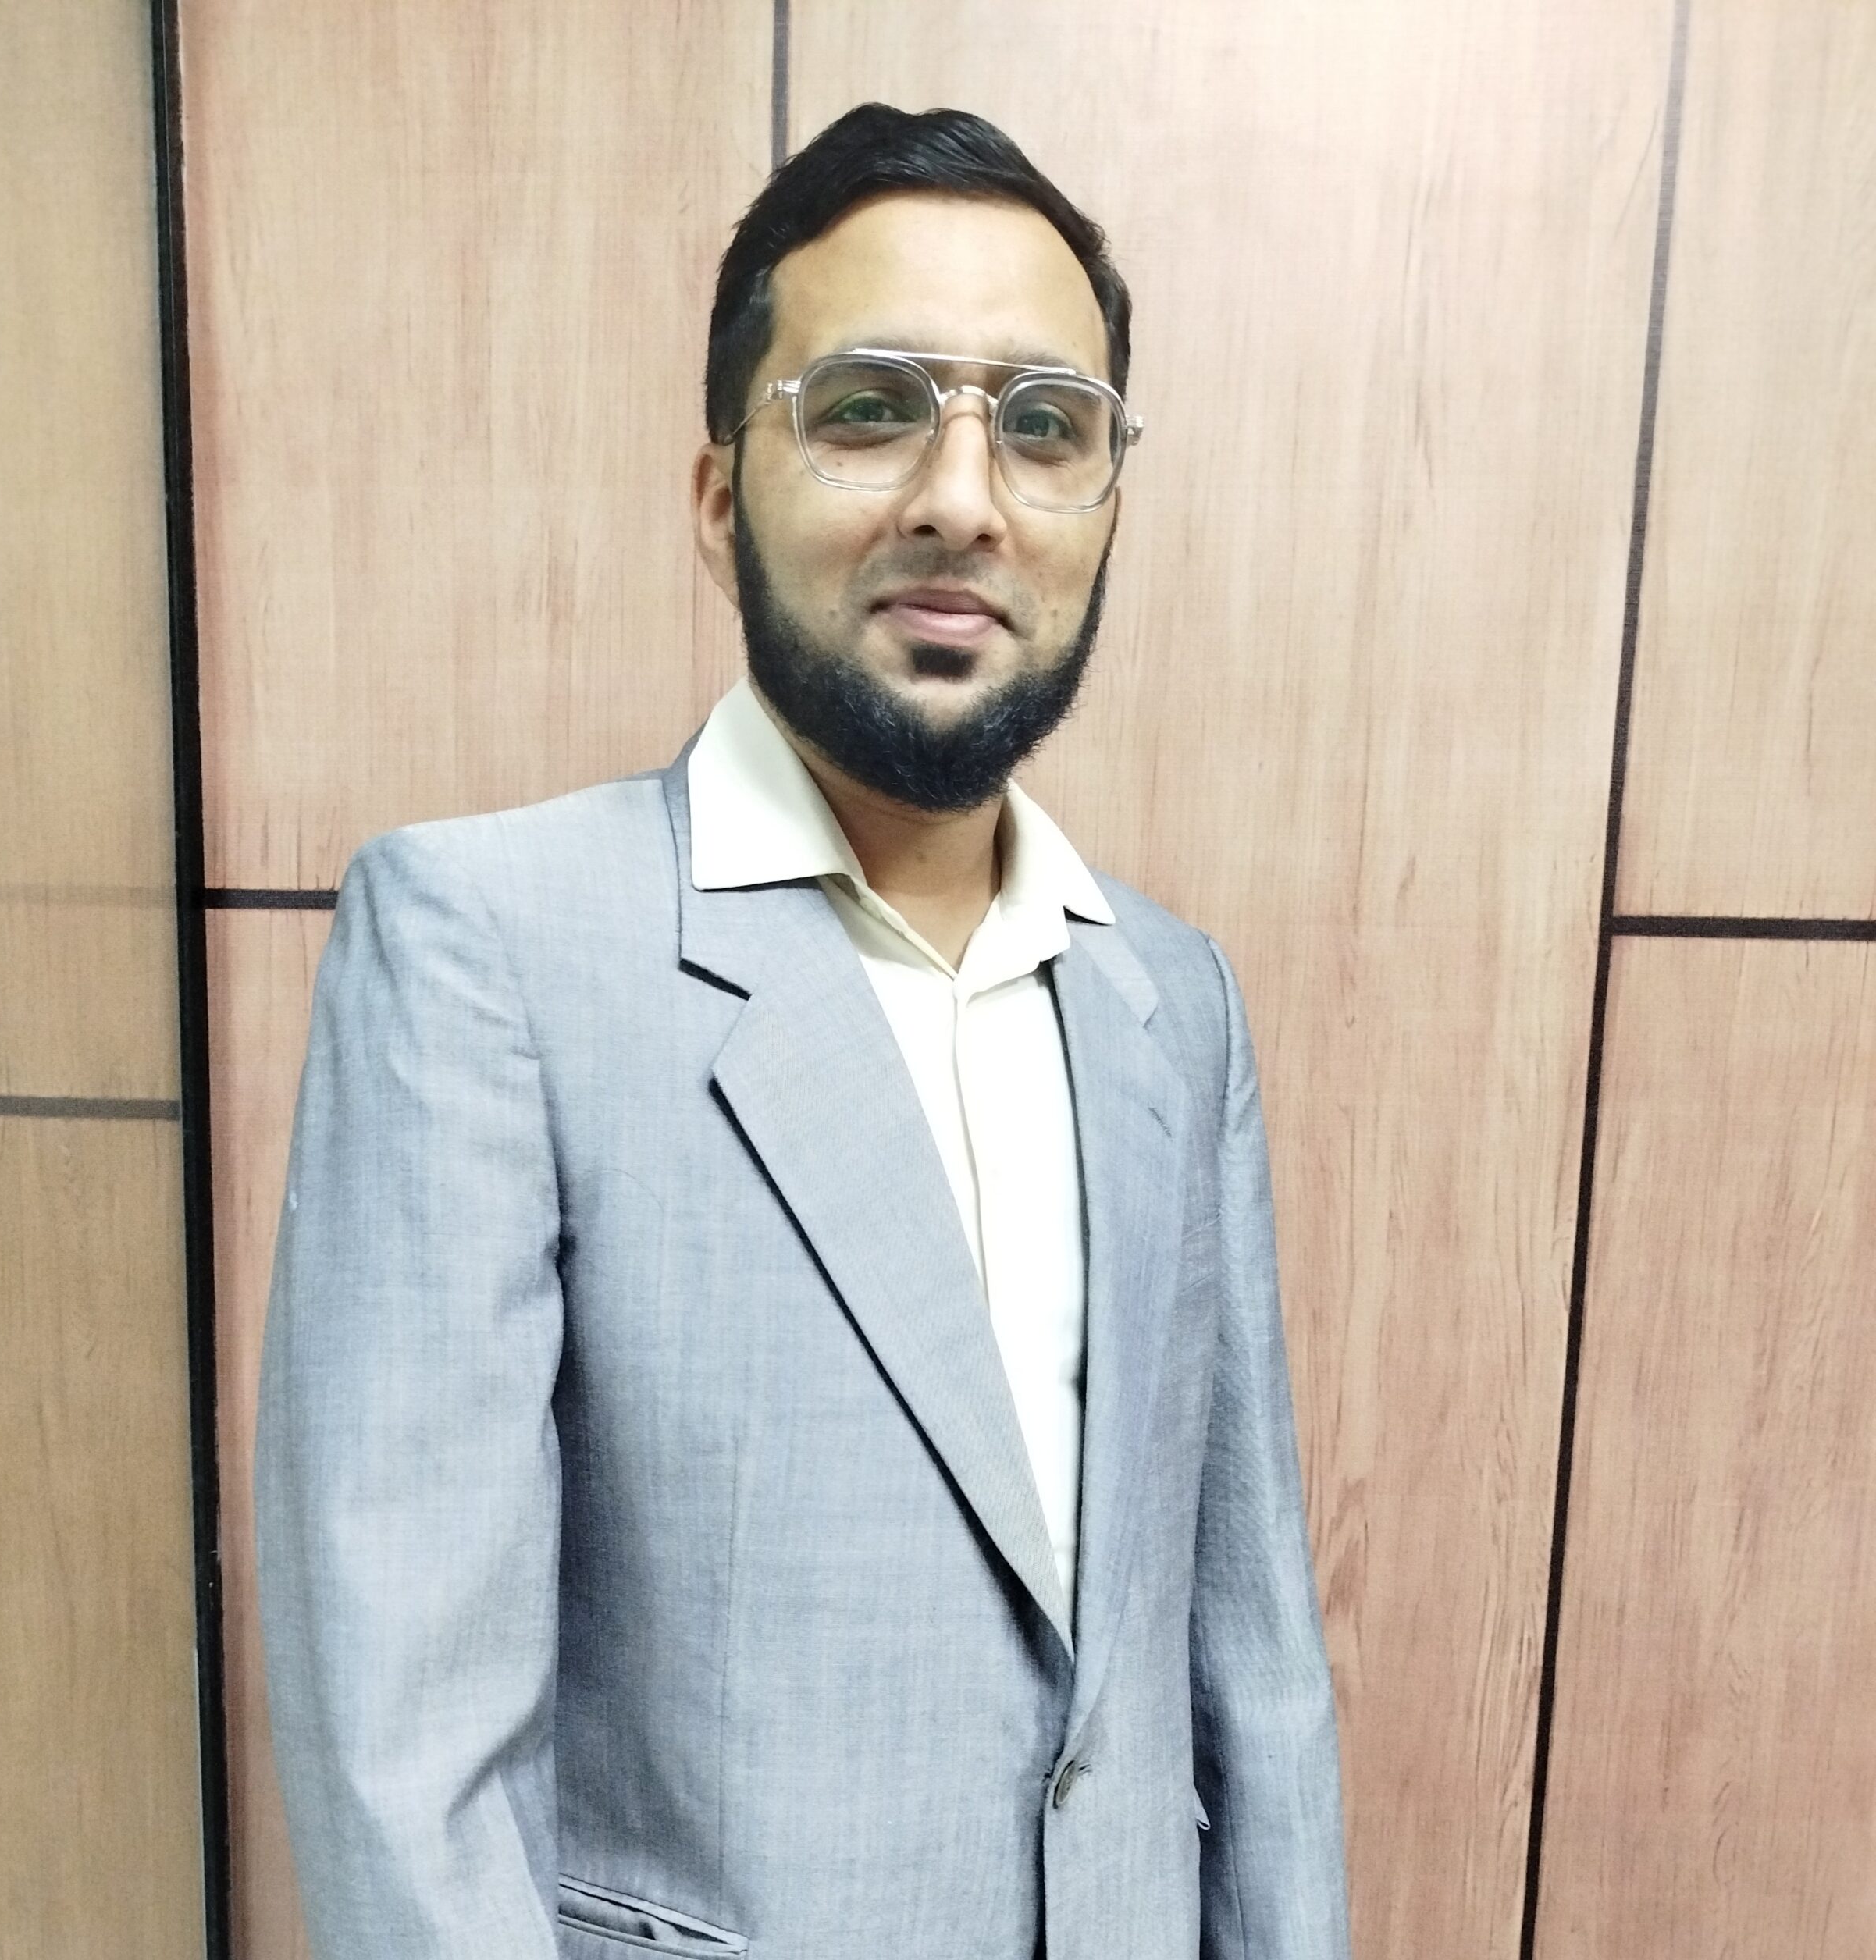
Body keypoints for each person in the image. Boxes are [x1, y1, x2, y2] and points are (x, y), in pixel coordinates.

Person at [255, 101, 1351, 1960]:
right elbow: (403, 1751)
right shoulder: (489, 946)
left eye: (1042, 426)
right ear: (718, 499)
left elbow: (1250, 1667)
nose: (960, 497)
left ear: (1103, 503)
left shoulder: (1170, 998)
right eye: (867, 407)